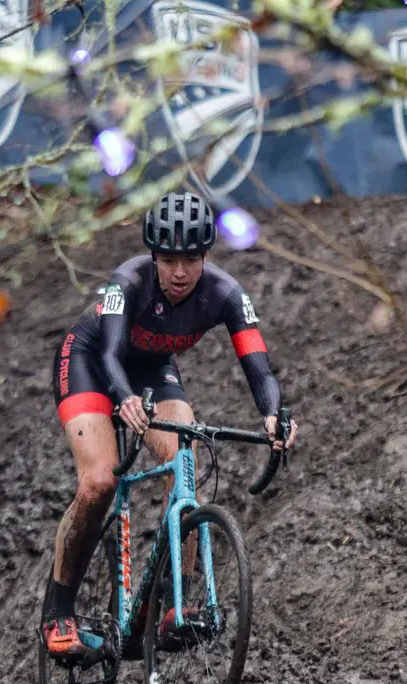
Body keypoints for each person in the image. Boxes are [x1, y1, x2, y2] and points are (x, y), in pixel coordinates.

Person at [43, 190, 298, 655]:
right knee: (99, 482)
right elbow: (110, 354)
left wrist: (272, 415)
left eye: (191, 259)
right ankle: (59, 611)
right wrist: (122, 399)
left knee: (186, 462)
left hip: (154, 368)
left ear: (205, 255)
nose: (179, 273)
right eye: (168, 260)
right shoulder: (128, 281)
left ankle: (168, 606)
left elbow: (260, 368)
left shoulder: (227, 295)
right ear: (153, 256)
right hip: (92, 362)